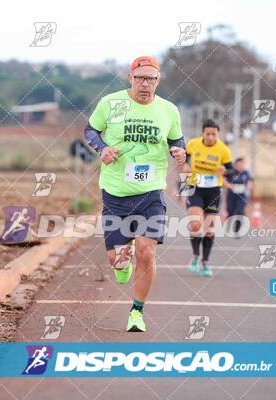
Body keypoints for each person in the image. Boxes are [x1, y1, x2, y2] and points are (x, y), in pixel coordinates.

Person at [83, 56, 186, 332]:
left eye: (150, 79)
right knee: (117, 260)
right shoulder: (112, 104)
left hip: (150, 192)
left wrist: (180, 150)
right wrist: (102, 149)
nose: (145, 84)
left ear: (158, 81)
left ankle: (137, 312)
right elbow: (91, 130)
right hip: (116, 193)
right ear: (130, 78)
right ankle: (121, 263)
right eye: (140, 78)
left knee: (146, 250)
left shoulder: (168, 111)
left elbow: (176, 138)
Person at [184, 119, 233, 277]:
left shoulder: (223, 150)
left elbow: (232, 171)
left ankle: (205, 261)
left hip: (213, 190)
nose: (211, 137)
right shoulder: (193, 144)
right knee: (195, 224)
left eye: (214, 134)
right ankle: (194, 257)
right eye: (208, 133)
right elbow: (184, 159)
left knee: (209, 230)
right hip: (195, 187)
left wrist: (224, 171)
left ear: (218, 134)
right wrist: (184, 165)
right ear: (203, 133)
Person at [225, 158, 253, 236]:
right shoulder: (230, 172)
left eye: (242, 164)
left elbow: (250, 181)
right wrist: (229, 186)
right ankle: (229, 225)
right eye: (238, 165)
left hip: (242, 195)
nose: (240, 166)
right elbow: (224, 180)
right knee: (230, 211)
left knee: (239, 210)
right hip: (231, 194)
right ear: (235, 165)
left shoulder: (246, 172)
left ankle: (237, 228)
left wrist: (248, 187)